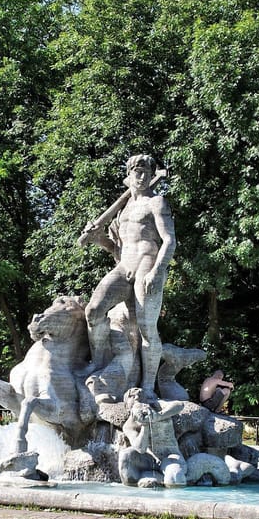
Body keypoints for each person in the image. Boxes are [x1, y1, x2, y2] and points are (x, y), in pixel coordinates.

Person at [80, 154, 176, 399]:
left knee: (146, 327)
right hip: (124, 266)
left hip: (147, 265)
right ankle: (98, 365)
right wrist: (97, 237)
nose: (141, 177)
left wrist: (158, 270)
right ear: (129, 175)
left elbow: (169, 241)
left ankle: (147, 387)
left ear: (151, 175)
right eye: (137, 172)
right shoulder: (122, 210)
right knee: (93, 310)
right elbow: (115, 247)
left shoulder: (157, 203)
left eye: (146, 172)